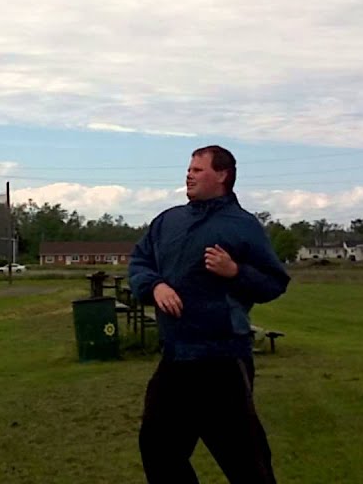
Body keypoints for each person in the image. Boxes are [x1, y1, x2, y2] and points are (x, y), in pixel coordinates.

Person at [128, 145, 290, 484]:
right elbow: (140, 262)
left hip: (223, 361)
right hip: (176, 358)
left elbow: (274, 282)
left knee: (247, 463)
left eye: (198, 169)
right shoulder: (168, 221)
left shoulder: (243, 226)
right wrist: (155, 286)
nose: (189, 174)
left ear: (222, 175)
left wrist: (235, 272)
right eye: (189, 168)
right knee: (158, 450)